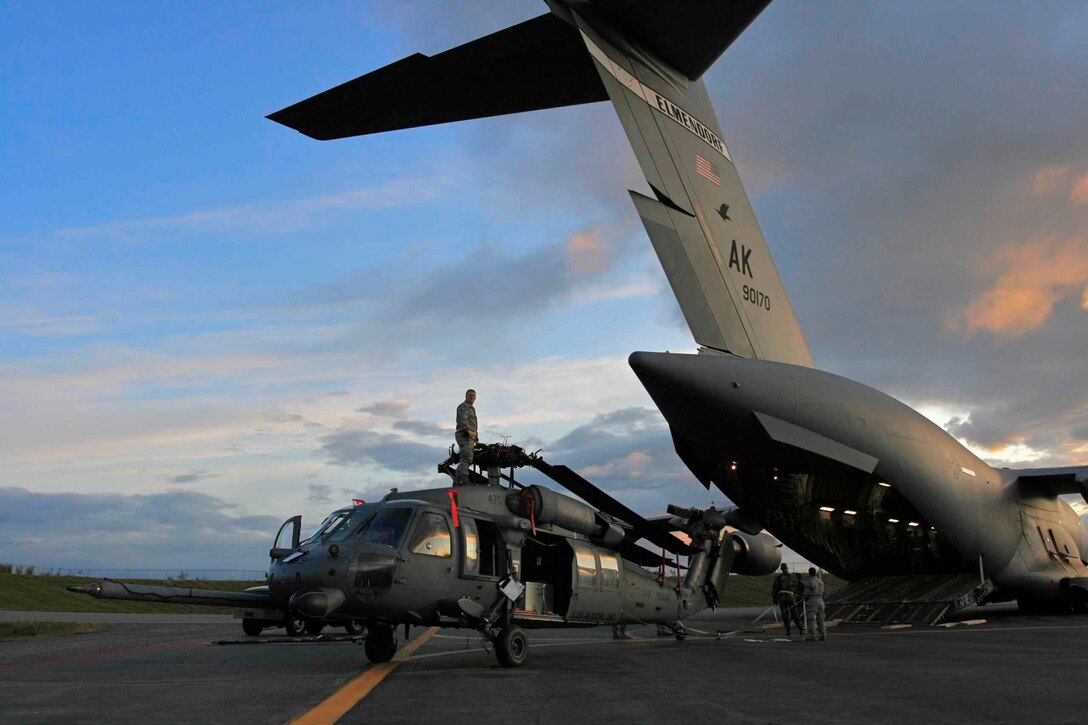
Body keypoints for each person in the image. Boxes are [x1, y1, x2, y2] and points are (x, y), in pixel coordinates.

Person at [771, 564, 804, 636]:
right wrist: (793, 594)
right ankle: (801, 629)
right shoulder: (794, 577)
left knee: (785, 614)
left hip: (782, 598)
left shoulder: (779, 578)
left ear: (781, 569)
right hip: (791, 597)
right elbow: (796, 587)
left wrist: (775, 599)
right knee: (794, 613)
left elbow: (775, 589)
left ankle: (788, 631)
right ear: (787, 568)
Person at [455, 389, 478, 484]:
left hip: (470, 436)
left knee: (466, 458)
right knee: (466, 458)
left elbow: (472, 424)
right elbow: (462, 421)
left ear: (475, 398)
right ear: (466, 396)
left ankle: (457, 479)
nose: (472, 397)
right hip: (465, 435)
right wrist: (469, 432)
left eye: (473, 395)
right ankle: (464, 479)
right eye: (470, 395)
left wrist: (475, 436)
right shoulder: (463, 407)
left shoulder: (471, 408)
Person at [803, 566, 827, 641]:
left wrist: (804, 597)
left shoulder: (809, 582)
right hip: (820, 600)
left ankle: (812, 634)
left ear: (809, 573)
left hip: (812, 600)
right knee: (821, 618)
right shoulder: (820, 582)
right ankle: (823, 634)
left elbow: (806, 593)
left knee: (811, 618)